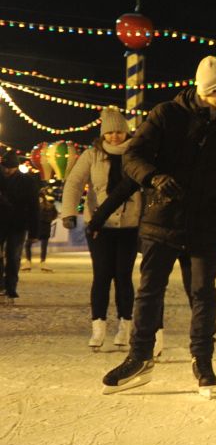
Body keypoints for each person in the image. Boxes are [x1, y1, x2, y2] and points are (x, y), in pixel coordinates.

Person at [98, 56, 216, 394]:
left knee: (204, 294)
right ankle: (140, 356)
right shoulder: (166, 115)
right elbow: (132, 157)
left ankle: (202, 361)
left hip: (207, 224)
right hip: (163, 219)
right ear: (208, 90)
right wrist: (154, 177)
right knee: (149, 292)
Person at [59, 108, 146, 350]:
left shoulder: (137, 153)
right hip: (100, 226)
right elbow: (74, 182)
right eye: (109, 133)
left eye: (119, 132)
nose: (114, 137)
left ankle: (125, 325)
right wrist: (68, 212)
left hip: (130, 225)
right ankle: (98, 326)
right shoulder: (92, 155)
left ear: (126, 132)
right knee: (102, 276)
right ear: (102, 134)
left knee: (123, 276)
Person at [1, 151, 39, 302]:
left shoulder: (27, 181)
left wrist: (34, 232)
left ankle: (11, 289)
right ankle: (1, 286)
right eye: (4, 167)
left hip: (18, 225)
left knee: (13, 257)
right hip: (1, 223)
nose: (6, 170)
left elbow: (34, 207)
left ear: (16, 167)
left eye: (10, 167)